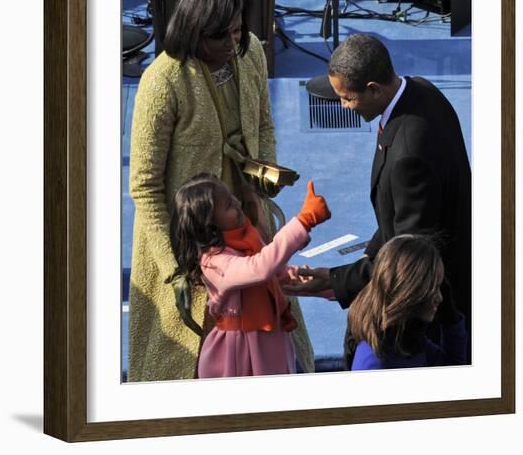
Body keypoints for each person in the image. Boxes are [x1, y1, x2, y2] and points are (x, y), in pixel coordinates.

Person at [127, 0, 315, 382]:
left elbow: (263, 124)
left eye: (236, 30)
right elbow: (144, 186)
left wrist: (262, 180)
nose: (234, 42)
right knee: (187, 362)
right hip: (187, 240)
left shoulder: (250, 54)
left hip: (244, 219)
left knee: (265, 329)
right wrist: (175, 269)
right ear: (195, 31)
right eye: (221, 36)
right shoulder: (162, 81)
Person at [285, 33, 472, 364]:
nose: (343, 106)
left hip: (428, 312)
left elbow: (408, 257)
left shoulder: (409, 156)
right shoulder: (420, 92)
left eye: (348, 98)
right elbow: (395, 222)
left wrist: (334, 280)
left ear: (373, 88)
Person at [169, 174, 331, 377]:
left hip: (271, 340)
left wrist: (325, 284)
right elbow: (260, 268)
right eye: (228, 205)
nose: (237, 203)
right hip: (239, 355)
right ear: (210, 225)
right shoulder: (214, 263)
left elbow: (274, 276)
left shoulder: (244, 239)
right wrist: (304, 221)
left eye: (232, 198)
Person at [348, 234, 467, 370]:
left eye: (440, 287)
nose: (440, 298)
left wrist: (450, 319)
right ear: (408, 291)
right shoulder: (374, 363)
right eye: (432, 289)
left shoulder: (405, 337)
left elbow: (452, 370)